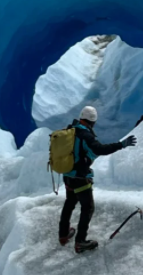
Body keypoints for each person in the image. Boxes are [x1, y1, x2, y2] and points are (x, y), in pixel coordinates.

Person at [58, 105, 136, 254]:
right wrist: (121, 144)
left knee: (70, 203)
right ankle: (80, 242)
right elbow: (100, 149)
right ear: (93, 122)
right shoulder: (86, 135)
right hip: (80, 178)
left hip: (68, 175)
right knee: (88, 208)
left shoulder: (69, 130)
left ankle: (63, 235)